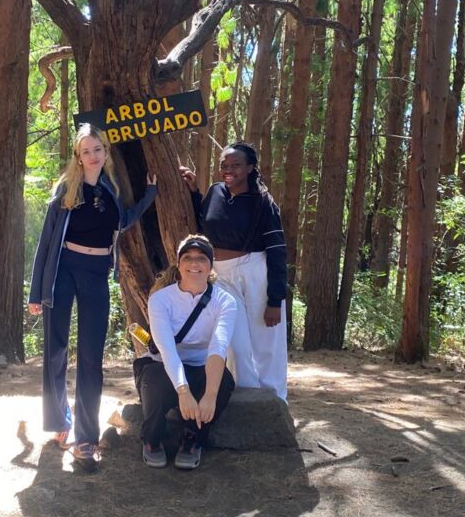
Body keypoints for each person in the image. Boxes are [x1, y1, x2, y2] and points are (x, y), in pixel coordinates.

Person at [29, 124, 157, 469]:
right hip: (63, 271)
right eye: (86, 151)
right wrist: (36, 291)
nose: (92, 155)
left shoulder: (111, 188)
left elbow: (123, 220)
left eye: (97, 149)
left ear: (105, 152)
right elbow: (46, 241)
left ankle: (86, 438)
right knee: (55, 349)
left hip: (97, 274)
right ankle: (59, 422)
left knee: (91, 357)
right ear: (78, 156)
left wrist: (149, 195)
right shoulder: (66, 189)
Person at [180, 142, 288, 399]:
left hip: (255, 273)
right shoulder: (215, 192)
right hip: (220, 275)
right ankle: (246, 400)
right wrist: (194, 193)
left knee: (266, 344)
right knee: (234, 344)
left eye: (236, 165)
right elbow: (203, 223)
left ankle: (274, 403)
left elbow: (277, 250)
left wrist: (275, 300)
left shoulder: (262, 201)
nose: (228, 170)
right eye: (224, 165)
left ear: (250, 168)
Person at [139, 235, 237, 470]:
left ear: (210, 265)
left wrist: (210, 394)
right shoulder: (160, 299)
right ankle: (152, 440)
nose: (194, 264)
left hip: (201, 367)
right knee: (155, 381)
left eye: (201, 258)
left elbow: (218, 347)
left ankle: (192, 439)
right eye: (188, 258)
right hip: (163, 366)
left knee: (224, 382)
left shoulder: (225, 301)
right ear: (179, 264)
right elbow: (166, 349)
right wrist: (183, 391)